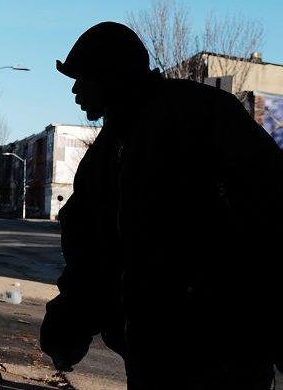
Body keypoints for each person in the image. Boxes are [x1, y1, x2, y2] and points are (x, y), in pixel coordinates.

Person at [40, 22, 283, 389]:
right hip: (152, 349)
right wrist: (70, 324)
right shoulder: (107, 154)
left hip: (222, 347)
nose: (75, 89)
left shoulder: (200, 115)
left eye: (83, 77)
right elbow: (90, 252)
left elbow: (269, 210)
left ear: (111, 74)